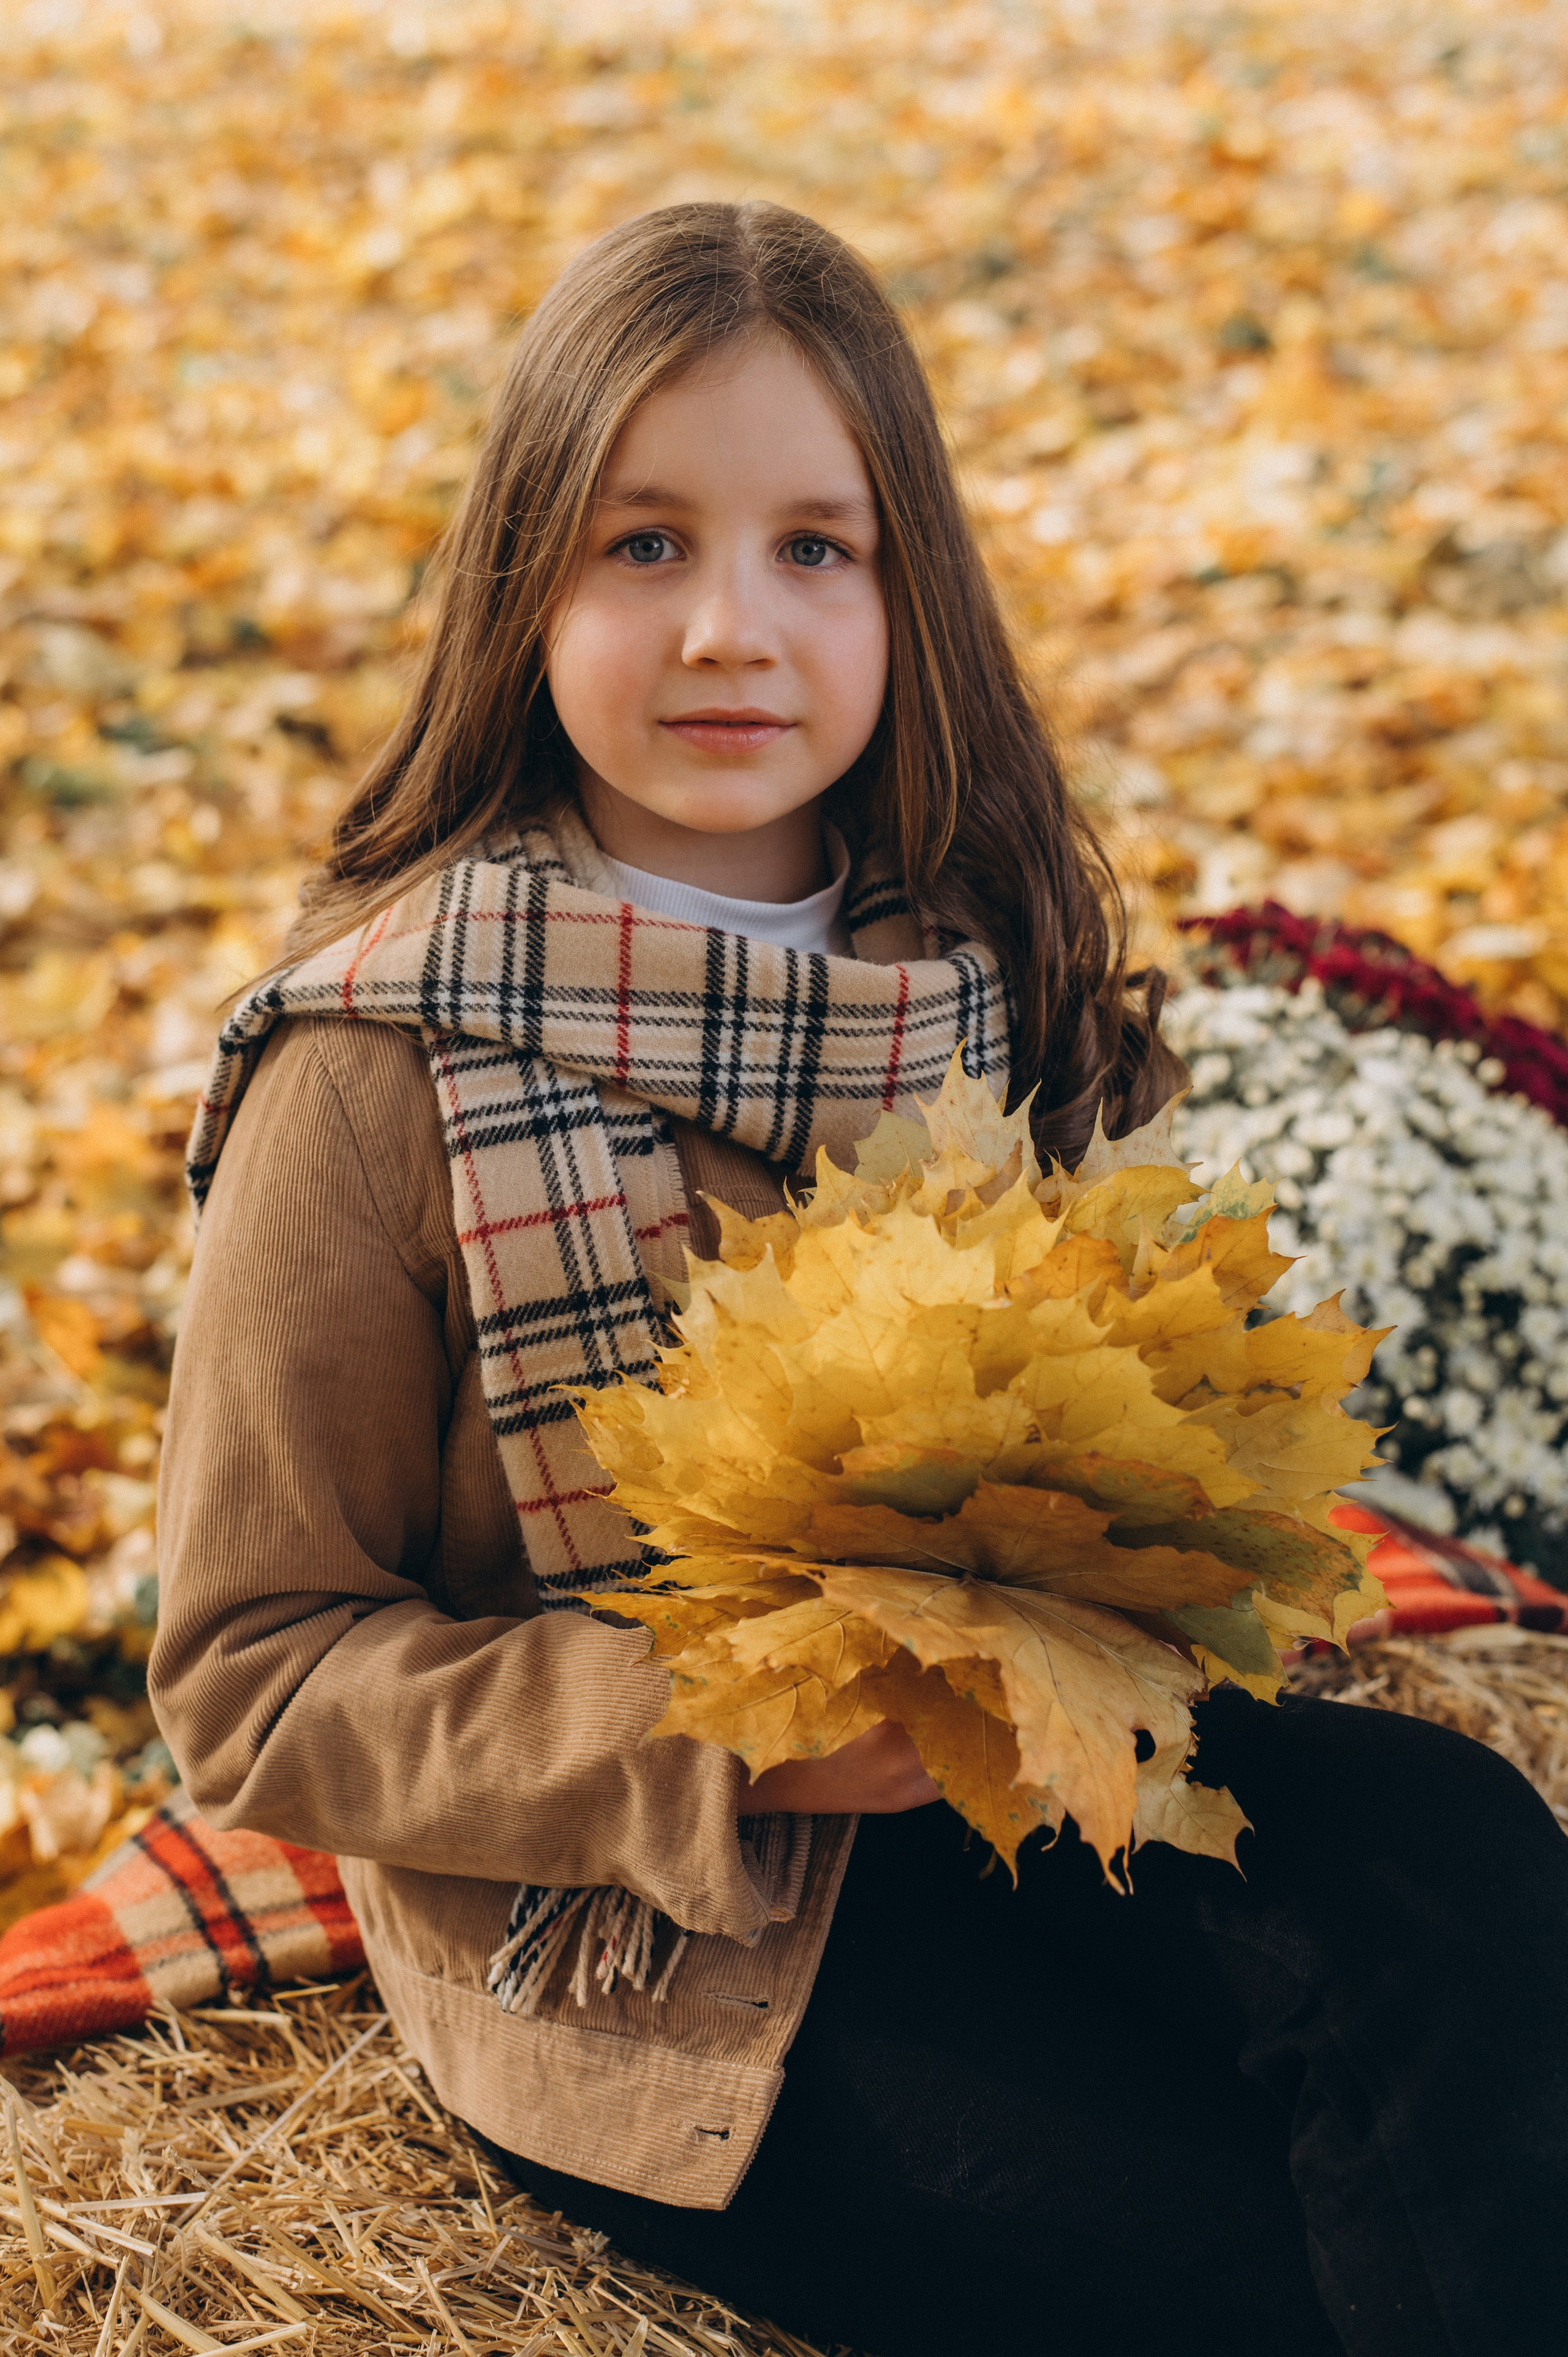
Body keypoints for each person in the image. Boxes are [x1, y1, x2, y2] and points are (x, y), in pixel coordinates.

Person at [151, 202, 1568, 2357]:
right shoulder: (373, 1077)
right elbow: (250, 1675)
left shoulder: (978, 966)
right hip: (649, 1926)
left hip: (1009, 1780)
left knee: (1457, 1873)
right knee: (1251, 2254)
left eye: (816, 547)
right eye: (645, 546)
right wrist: (731, 1740)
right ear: (521, 580)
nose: (734, 626)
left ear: (913, 587)